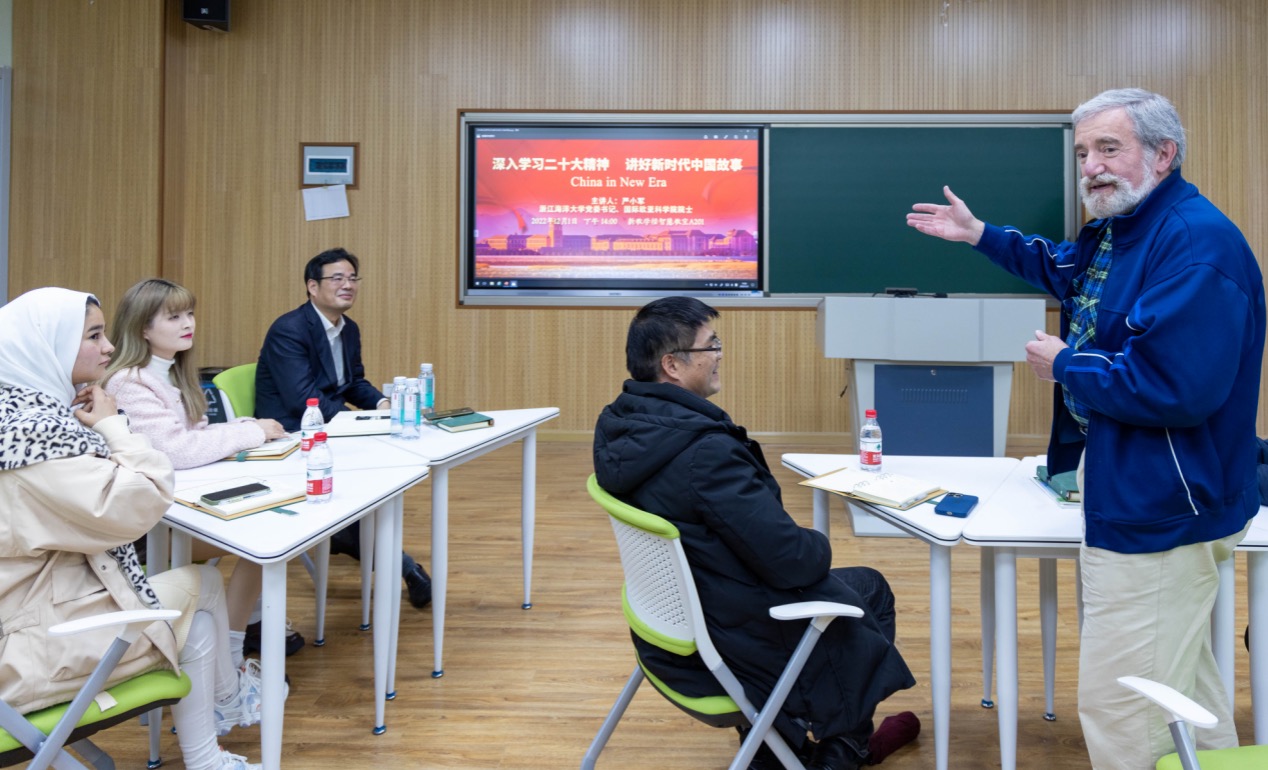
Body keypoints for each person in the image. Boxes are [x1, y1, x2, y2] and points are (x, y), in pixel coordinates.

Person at [907, 88, 1265, 769]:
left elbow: (1175, 389)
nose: (1091, 166)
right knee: (1184, 690)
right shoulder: (1120, 228)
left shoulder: (1194, 247)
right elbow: (1064, 269)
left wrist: (1069, 363)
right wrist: (982, 235)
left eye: (1109, 148)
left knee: (1124, 706)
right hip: (1140, 491)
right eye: (1082, 152)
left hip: (1162, 507)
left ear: (1164, 154)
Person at [593, 297, 918, 770]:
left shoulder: (621, 428)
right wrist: (819, 540)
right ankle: (843, 749)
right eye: (711, 345)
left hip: (667, 632)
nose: (720, 353)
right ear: (672, 365)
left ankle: (771, 746)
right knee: (870, 587)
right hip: (730, 642)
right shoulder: (704, 454)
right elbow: (793, 561)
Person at [0, 288, 276, 770]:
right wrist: (113, 427)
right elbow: (143, 498)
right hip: (31, 649)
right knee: (198, 600)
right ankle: (217, 735)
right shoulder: (37, 440)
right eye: (93, 335)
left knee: (202, 590)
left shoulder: (26, 417)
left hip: (38, 608)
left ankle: (218, 731)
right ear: (47, 348)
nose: (109, 346)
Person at [102, 277, 305, 661]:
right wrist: (249, 433)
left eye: (190, 313)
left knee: (270, 533)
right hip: (147, 525)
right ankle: (230, 651)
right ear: (143, 328)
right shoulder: (128, 382)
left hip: (178, 504)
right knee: (263, 540)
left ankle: (249, 627)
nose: (188, 323)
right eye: (174, 316)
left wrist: (244, 428)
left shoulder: (169, 373)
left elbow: (193, 434)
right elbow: (176, 450)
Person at [255, 247, 432, 609]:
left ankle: (374, 552)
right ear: (312, 287)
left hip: (331, 428)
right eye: (337, 278)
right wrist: (361, 421)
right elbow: (302, 399)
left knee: (380, 476)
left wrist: (386, 406)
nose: (347, 285)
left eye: (353, 278)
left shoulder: (348, 329)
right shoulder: (289, 329)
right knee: (358, 494)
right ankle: (404, 567)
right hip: (293, 435)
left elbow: (353, 384)